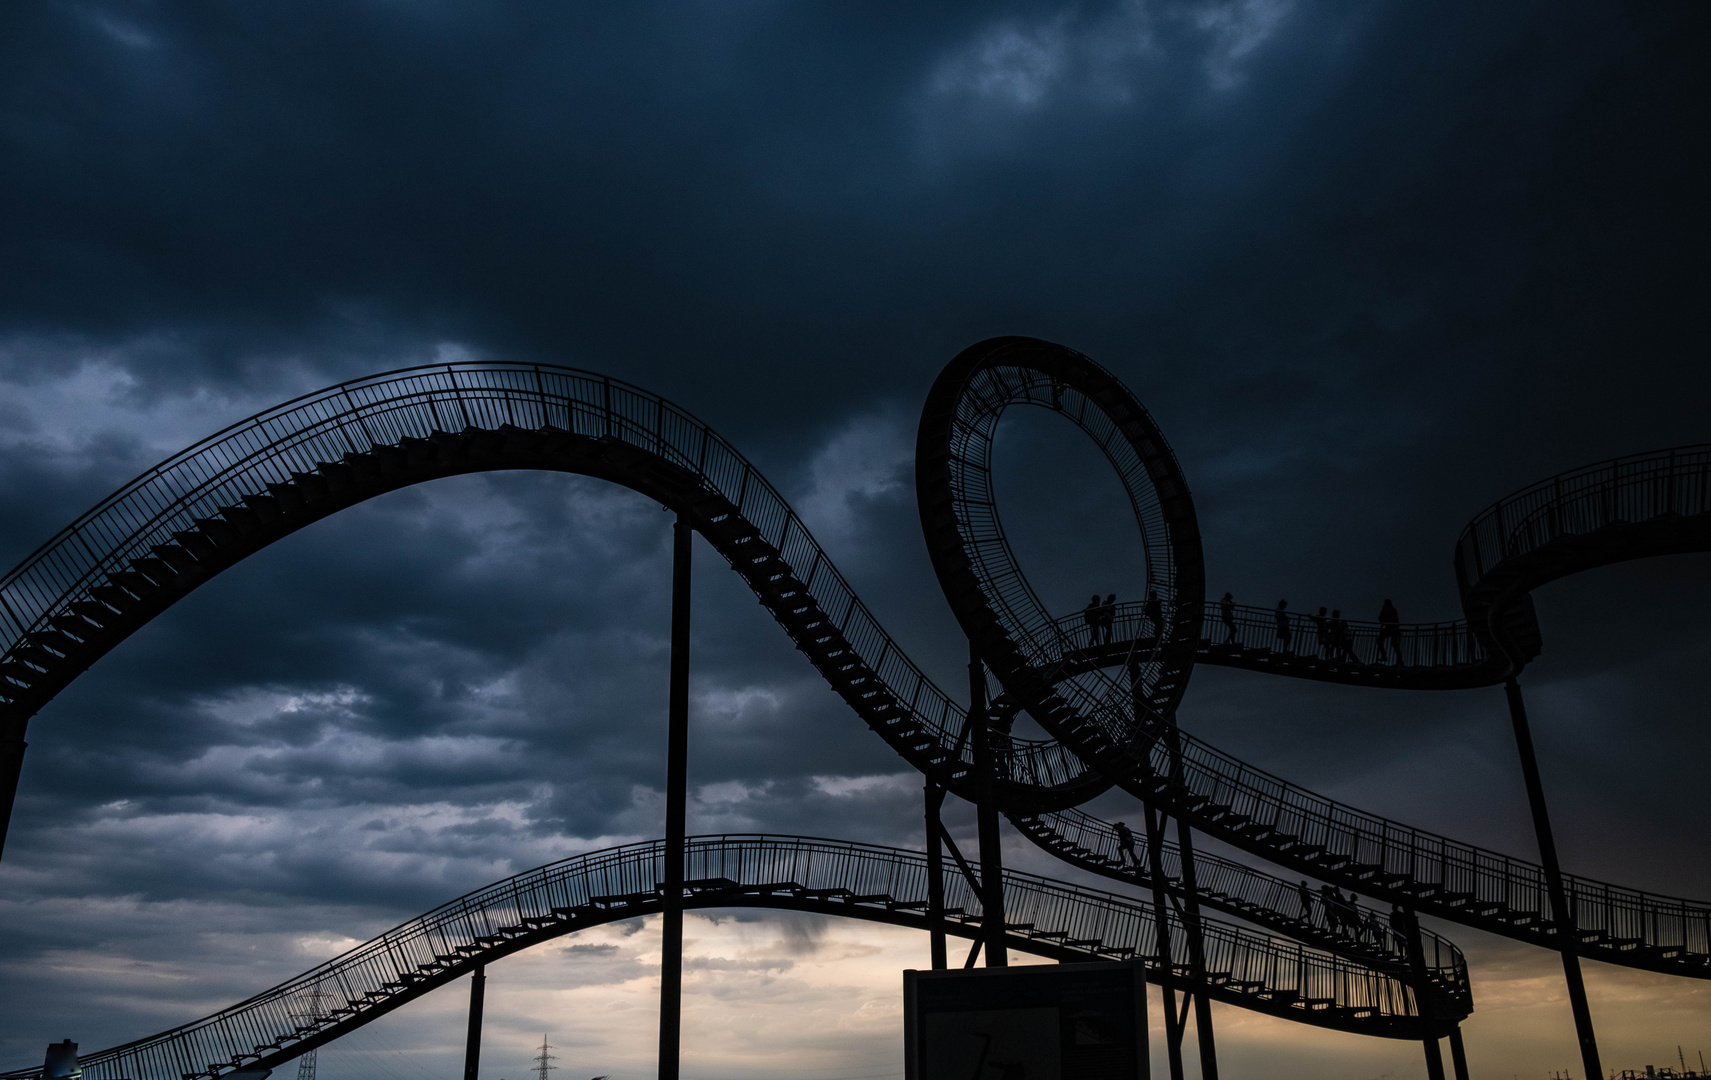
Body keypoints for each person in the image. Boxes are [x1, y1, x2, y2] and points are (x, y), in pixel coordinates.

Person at [1378, 598, 1401, 663]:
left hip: (1389, 628)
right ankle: (1400, 660)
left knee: (1379, 640)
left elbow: (1381, 618)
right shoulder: (1393, 609)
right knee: (1394, 643)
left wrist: (1383, 624)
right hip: (1396, 628)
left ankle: (1384, 656)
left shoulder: (1385, 608)